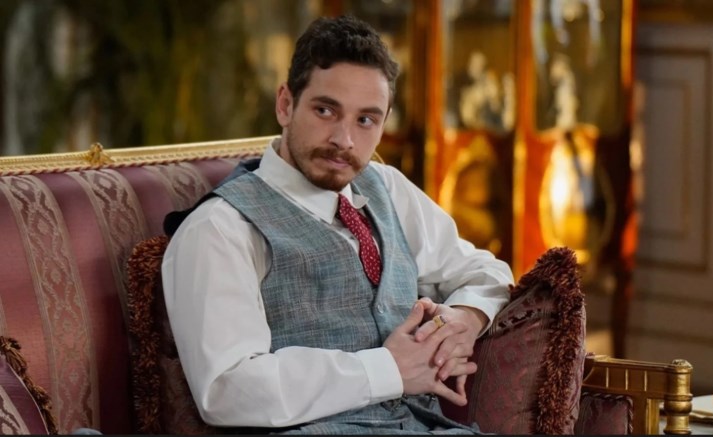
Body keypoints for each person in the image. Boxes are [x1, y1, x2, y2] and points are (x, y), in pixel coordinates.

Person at [161, 14, 514, 435]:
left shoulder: (385, 187)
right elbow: (227, 390)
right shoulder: (221, 229)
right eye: (326, 110)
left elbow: (485, 271)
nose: (344, 140)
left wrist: (463, 321)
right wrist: (387, 369)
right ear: (285, 104)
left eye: (366, 120)